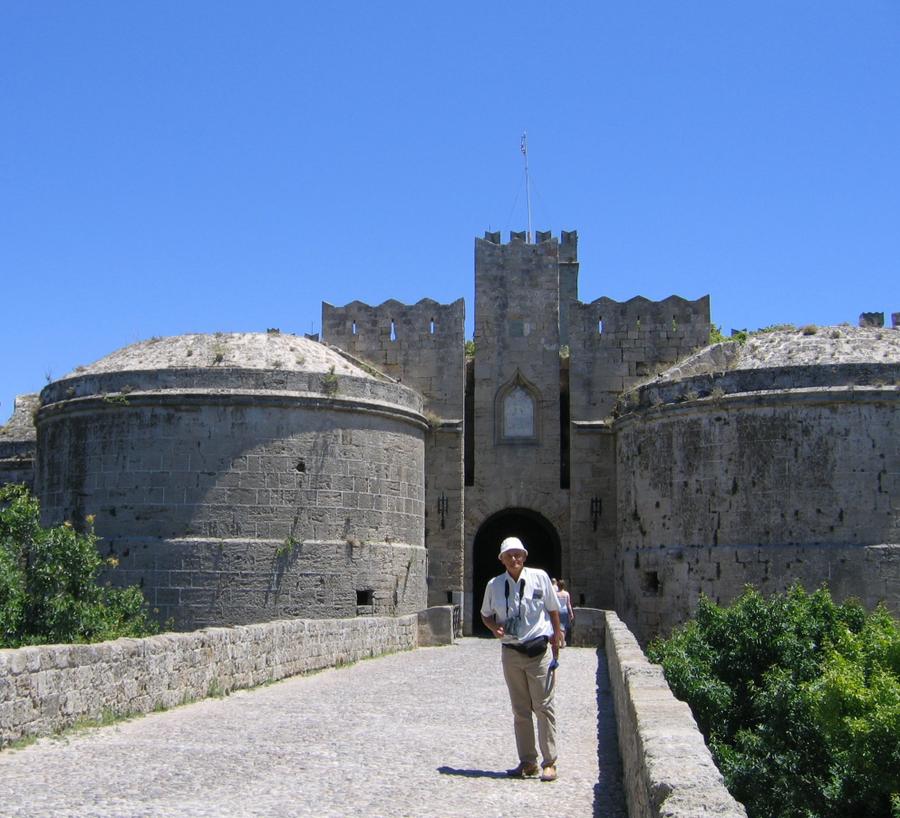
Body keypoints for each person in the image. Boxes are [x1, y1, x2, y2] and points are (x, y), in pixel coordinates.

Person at [480, 536, 564, 782]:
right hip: (511, 652)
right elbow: (485, 615)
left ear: (524, 557)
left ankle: (550, 762)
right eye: (509, 555)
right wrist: (494, 628)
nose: (514, 559)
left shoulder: (539, 578)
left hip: (538, 652)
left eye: (518, 554)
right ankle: (528, 762)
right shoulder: (494, 585)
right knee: (520, 710)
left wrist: (556, 635)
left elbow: (552, 608)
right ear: (502, 559)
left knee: (544, 707)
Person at [555, 579, 575, 647]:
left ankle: (560, 641)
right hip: (565, 611)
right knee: (564, 627)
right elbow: (568, 604)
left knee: (558, 627)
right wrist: (571, 613)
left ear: (558, 585)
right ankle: (563, 642)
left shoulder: (555, 593)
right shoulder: (566, 594)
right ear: (564, 586)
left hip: (557, 611)